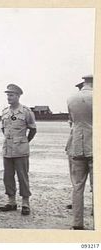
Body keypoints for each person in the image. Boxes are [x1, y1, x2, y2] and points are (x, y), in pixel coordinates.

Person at [0, 84, 36, 216]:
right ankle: (11, 202)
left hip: (21, 149)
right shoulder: (4, 112)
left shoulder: (26, 111)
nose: (9, 97)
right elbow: (3, 129)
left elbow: (33, 129)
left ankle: (25, 203)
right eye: (8, 95)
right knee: (8, 177)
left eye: (12, 95)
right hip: (7, 149)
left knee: (22, 176)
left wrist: (24, 141)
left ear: (18, 96)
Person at [67, 74, 93, 230]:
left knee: (77, 186)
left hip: (77, 145)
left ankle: (77, 223)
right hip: (95, 145)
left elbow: (72, 121)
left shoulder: (72, 98)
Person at [65, 80, 84, 210]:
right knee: (75, 176)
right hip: (74, 142)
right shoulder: (76, 105)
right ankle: (76, 202)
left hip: (80, 142)